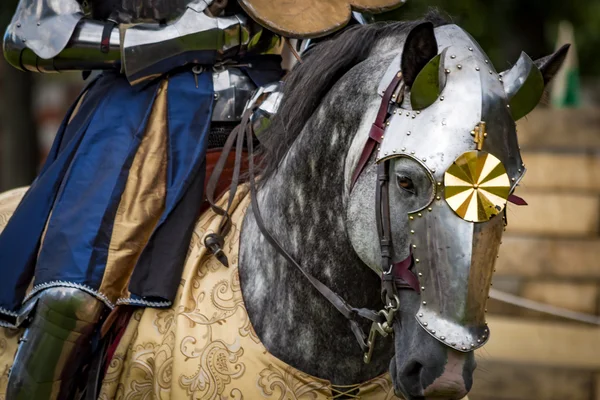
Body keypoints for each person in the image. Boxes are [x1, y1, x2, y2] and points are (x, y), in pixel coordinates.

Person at [0, 0, 405, 398]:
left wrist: (299, 88)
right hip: (135, 127)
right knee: (68, 301)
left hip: (271, 126)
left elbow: (340, 25)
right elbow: (32, 37)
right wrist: (177, 39)